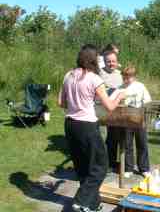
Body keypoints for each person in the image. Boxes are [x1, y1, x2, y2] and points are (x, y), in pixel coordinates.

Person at [58, 44, 125, 212]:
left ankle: (92, 204)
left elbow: (61, 103)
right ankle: (80, 201)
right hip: (87, 126)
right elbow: (109, 106)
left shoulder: (68, 75)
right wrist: (120, 95)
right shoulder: (95, 79)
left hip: (70, 124)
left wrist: (77, 102)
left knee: (83, 166)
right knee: (100, 167)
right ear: (93, 60)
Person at [121, 65, 152, 178]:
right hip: (126, 118)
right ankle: (128, 168)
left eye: (129, 77)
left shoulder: (140, 86)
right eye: (125, 76)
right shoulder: (121, 87)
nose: (127, 79)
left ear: (134, 76)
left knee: (142, 143)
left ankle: (144, 168)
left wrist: (143, 110)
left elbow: (147, 100)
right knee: (127, 144)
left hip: (139, 116)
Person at [99, 44, 124, 171]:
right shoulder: (99, 73)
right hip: (102, 109)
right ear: (104, 61)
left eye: (113, 61)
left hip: (117, 109)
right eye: (108, 61)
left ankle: (112, 162)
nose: (111, 63)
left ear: (117, 62)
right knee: (103, 136)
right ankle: (103, 163)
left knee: (114, 136)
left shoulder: (120, 74)